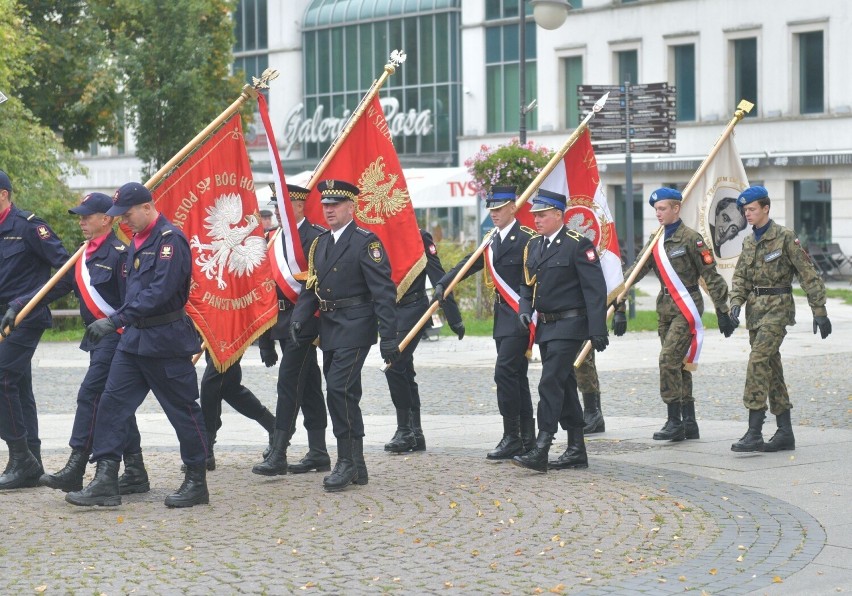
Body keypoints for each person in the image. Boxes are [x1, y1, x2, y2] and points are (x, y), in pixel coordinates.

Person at [65, 182, 210, 508]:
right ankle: (105, 479)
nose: (124, 221)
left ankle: (197, 480)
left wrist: (114, 320)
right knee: (111, 405)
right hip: (133, 341)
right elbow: (132, 293)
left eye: (128, 213)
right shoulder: (135, 243)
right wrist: (122, 322)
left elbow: (157, 293)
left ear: (147, 207)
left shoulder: (170, 242)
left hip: (165, 340)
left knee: (182, 410)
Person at [289, 179, 398, 492]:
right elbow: (312, 287)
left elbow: (383, 293)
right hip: (330, 328)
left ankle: (346, 462)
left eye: (335, 205)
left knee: (338, 390)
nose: (329, 210)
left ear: (351, 208)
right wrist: (299, 320)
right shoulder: (321, 243)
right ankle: (358, 464)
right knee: (345, 393)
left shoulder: (366, 242)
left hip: (356, 326)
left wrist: (389, 337)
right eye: (325, 205)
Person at [38, 193, 148, 494]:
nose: (82, 221)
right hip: (96, 338)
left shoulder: (120, 254)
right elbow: (57, 286)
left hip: (116, 337)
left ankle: (77, 465)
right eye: (80, 216)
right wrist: (20, 305)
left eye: (88, 216)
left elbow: (130, 302)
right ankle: (136, 471)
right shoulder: (83, 254)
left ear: (107, 219)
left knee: (91, 395)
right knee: (115, 403)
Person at [620, 188, 736, 442]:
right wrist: (617, 301)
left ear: (676, 209)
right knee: (680, 365)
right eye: (656, 209)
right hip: (665, 309)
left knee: (667, 360)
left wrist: (723, 310)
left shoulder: (691, 239)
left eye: (662, 209)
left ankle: (674, 421)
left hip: (687, 307)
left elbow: (711, 275)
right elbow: (634, 273)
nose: (658, 214)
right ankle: (689, 423)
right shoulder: (655, 241)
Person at [434, 186, 536, 460]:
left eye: (499, 208)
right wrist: (444, 282)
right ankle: (527, 437)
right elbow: (470, 263)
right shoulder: (491, 240)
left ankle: (511, 436)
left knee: (504, 373)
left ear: (513, 207)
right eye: (491, 209)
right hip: (502, 318)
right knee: (517, 376)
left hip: (521, 317)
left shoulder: (527, 239)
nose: (494, 214)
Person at [729, 186, 831, 453]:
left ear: (766, 208)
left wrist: (819, 310)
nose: (747, 214)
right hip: (755, 313)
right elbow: (740, 277)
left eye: (751, 209)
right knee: (771, 369)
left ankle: (754, 431)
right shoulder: (749, 242)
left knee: (758, 360)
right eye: (744, 210)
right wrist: (736, 303)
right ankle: (785, 432)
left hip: (778, 310)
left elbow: (807, 273)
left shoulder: (785, 237)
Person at [514, 189, 609, 472]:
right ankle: (577, 447)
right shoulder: (535, 245)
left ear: (558, 215)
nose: (537, 220)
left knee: (549, 382)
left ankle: (541, 446)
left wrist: (597, 330)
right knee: (566, 385)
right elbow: (526, 283)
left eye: (542, 215)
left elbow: (595, 290)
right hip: (546, 325)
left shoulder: (578, 245)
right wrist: (523, 309)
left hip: (570, 325)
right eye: (535, 216)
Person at [0, 169, 72, 490]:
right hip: (3, 318)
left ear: (4, 195)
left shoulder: (30, 227)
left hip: (26, 316)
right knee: (18, 384)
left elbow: (66, 273)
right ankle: (33, 459)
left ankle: (20, 458)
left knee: (2, 377)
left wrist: (26, 301)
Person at [253, 184, 329, 476]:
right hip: (281, 324)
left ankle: (279, 452)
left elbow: (315, 284)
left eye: (282, 205)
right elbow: (265, 289)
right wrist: (265, 339)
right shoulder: (273, 238)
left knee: (287, 383)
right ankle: (319, 452)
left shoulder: (316, 237)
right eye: (275, 206)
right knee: (309, 385)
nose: (276, 211)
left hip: (307, 322)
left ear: (298, 206)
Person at [383, 229, 464, 453]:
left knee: (394, 364)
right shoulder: (378, 236)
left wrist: (454, 317)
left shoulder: (418, 236)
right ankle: (415, 432)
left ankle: (405, 430)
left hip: (413, 308)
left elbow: (439, 276)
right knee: (404, 370)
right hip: (390, 312)